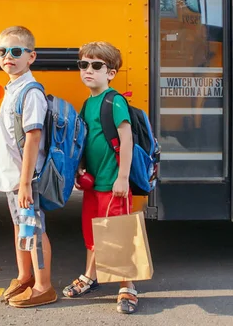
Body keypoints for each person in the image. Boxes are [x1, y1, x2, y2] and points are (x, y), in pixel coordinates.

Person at [63, 41, 138, 314]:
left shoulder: (114, 100)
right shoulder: (88, 103)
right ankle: (90, 276)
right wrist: (81, 166)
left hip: (114, 183)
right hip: (94, 184)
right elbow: (85, 140)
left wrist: (123, 177)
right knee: (93, 233)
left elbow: (126, 140)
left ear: (111, 73)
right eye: (83, 65)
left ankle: (127, 286)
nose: (88, 70)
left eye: (96, 65)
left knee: (118, 235)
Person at [0, 26, 57, 308]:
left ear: (32, 56)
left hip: (26, 177)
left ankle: (44, 286)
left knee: (34, 228)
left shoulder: (30, 92)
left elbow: (33, 137)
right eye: (2, 51)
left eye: (16, 51)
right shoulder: (13, 87)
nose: (8, 57)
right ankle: (25, 276)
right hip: (13, 175)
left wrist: (26, 182)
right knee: (21, 227)